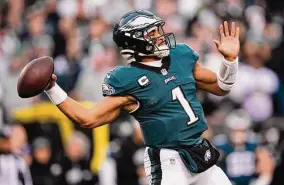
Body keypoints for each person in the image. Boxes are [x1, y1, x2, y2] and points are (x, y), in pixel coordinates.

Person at [44, 10, 240, 185]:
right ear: (135, 41)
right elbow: (87, 118)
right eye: (152, 33)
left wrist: (230, 61)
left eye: (158, 30)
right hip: (169, 161)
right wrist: (52, 88)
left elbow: (222, 87)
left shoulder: (180, 57)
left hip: (199, 152)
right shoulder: (128, 80)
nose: (161, 37)